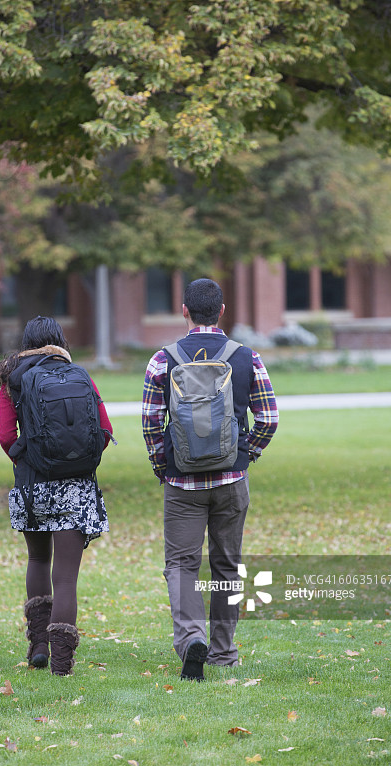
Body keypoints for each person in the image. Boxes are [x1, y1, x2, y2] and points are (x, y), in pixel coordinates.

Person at [142, 278, 278, 681]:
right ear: (222, 311)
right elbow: (268, 418)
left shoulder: (162, 360)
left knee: (182, 565)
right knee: (227, 565)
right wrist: (245, 454)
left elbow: (151, 424)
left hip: (182, 484)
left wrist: (162, 465)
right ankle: (223, 651)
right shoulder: (247, 357)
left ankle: (190, 640)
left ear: (183, 311)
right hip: (231, 480)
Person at [0, 316, 113, 676]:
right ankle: (62, 664)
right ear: (59, 340)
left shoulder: (12, 380)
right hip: (75, 486)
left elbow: (5, 436)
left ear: (25, 343)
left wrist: (27, 458)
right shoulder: (79, 374)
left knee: (38, 561)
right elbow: (105, 431)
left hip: (32, 487)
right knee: (66, 578)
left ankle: (38, 647)